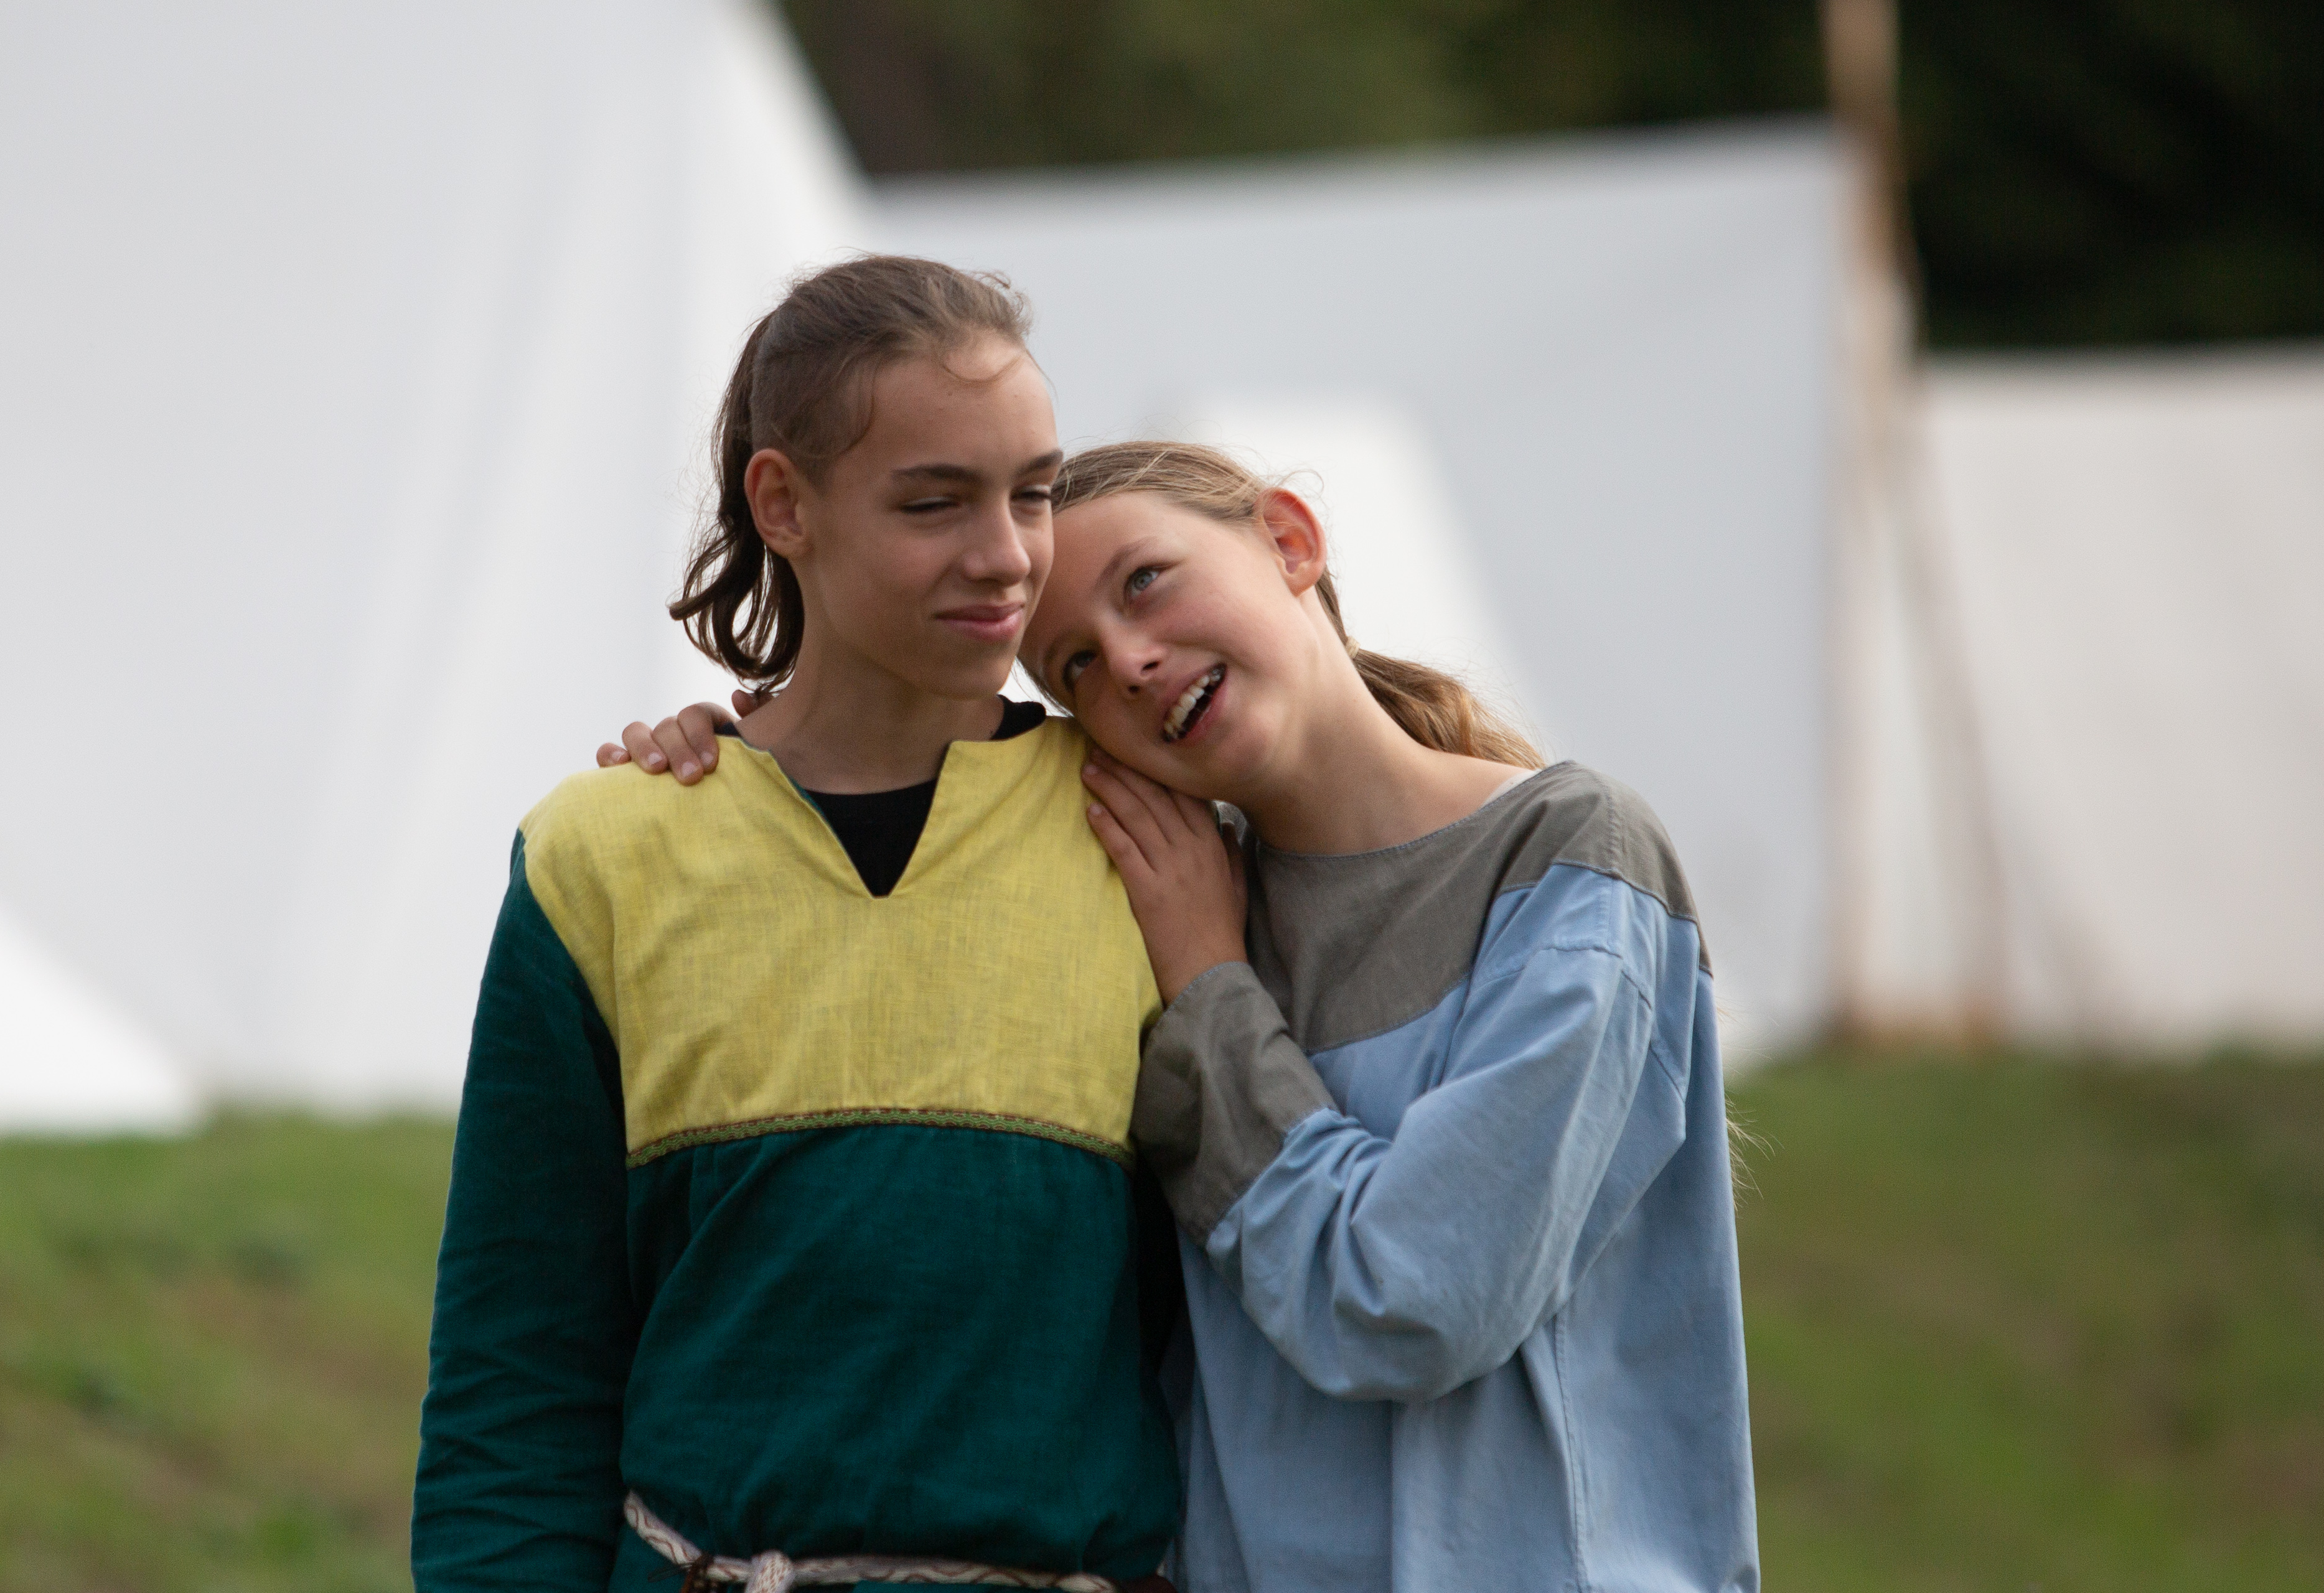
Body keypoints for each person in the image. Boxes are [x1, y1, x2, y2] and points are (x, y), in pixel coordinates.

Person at [619, 441, 1759, 1592]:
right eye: (1073, 666)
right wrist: (749, 774)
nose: (1128, 661)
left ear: (1289, 541)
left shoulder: (1572, 860)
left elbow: (1416, 1298)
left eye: (1146, 582)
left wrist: (1213, 988)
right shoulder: (1143, 909)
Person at [413, 257, 1180, 1592]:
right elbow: (516, 1383)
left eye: (1034, 492)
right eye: (934, 502)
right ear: (785, 504)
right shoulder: (604, 859)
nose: (1007, 555)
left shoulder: (1158, 841)